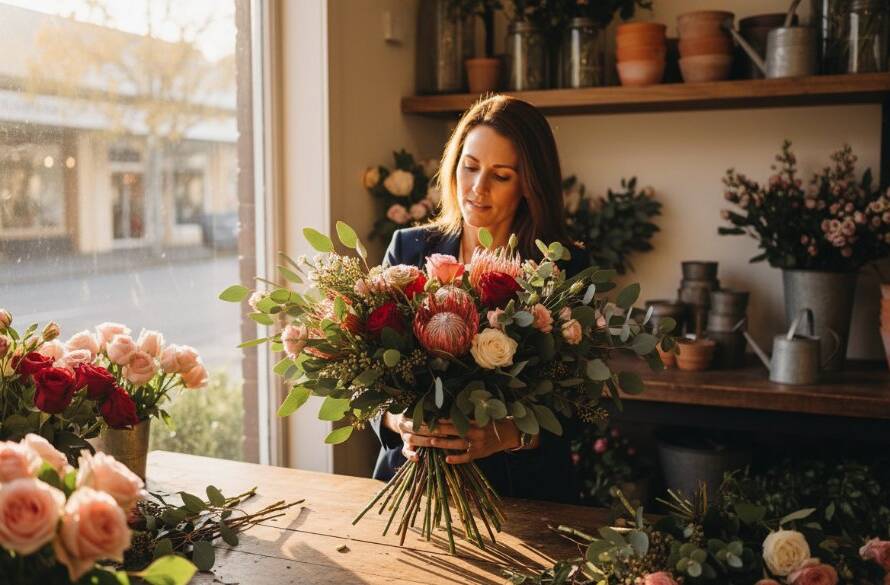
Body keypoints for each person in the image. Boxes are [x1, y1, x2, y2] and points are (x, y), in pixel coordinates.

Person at [371, 95, 588, 504]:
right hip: (410, 488)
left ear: (529, 183)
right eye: (469, 167)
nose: (477, 188)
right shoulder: (409, 249)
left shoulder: (564, 266)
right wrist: (397, 420)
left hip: (520, 493)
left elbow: (578, 406)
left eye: (500, 175)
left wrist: (503, 435)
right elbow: (371, 374)